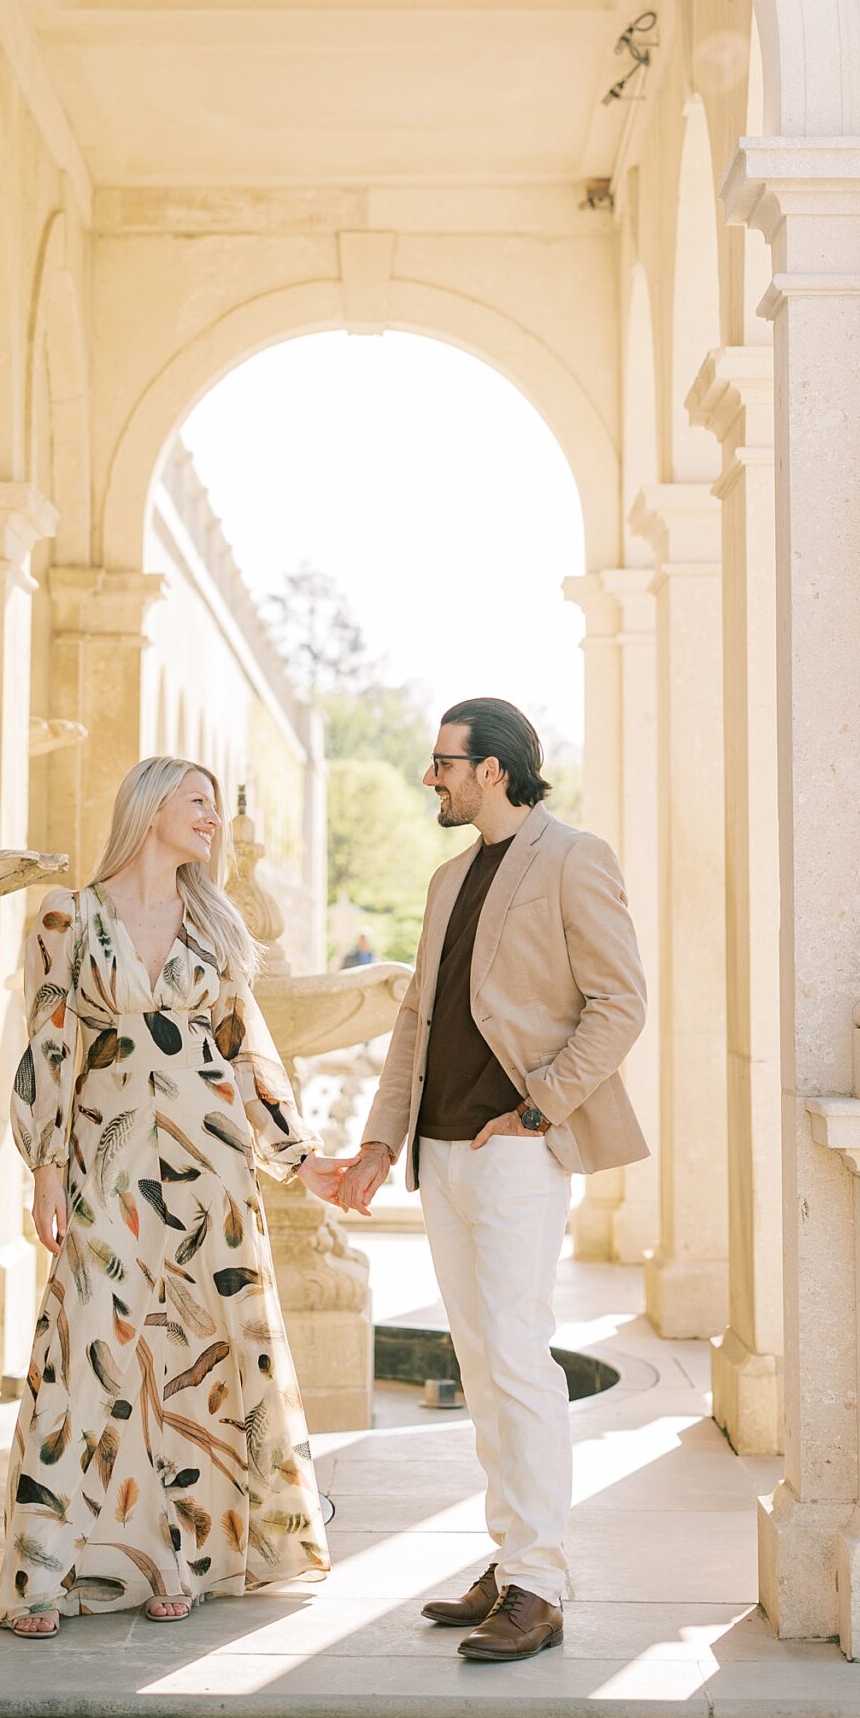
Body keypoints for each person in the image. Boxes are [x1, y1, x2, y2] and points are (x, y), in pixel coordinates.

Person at [326, 697, 647, 1665]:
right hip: (440, 1151)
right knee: (478, 1362)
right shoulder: (445, 878)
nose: (431, 776)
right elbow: (416, 1020)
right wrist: (380, 1145)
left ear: (493, 770)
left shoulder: (572, 857)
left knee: (516, 1356)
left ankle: (541, 1583)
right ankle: (510, 1559)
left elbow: (620, 1001)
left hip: (514, 1147)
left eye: (443, 762)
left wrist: (540, 1105)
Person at [0, 756, 347, 1635]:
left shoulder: (213, 922)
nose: (213, 819)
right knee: (92, 1347)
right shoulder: (66, 916)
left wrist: (299, 1157)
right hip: (103, 1164)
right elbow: (47, 1044)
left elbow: (244, 1046)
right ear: (149, 807)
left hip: (212, 1165)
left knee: (194, 1351)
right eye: (198, 802)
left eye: (217, 807)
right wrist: (43, 1166)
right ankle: (52, 1568)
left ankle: (180, 1557)